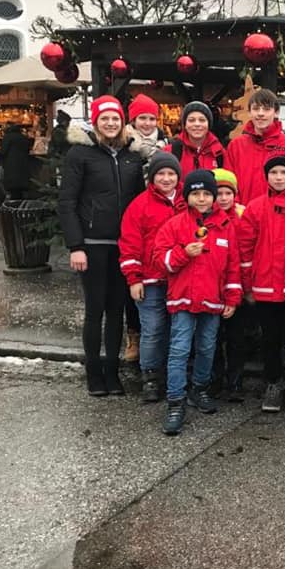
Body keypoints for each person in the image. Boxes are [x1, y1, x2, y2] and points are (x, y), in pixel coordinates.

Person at [58, 96, 145, 396]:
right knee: (95, 309)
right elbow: (67, 202)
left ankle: (113, 370)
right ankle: (94, 372)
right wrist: (75, 245)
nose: (110, 123)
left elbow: (140, 203)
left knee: (117, 308)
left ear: (123, 121)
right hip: (92, 244)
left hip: (123, 246)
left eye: (115, 118)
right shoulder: (80, 154)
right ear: (96, 121)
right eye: (105, 118)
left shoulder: (132, 156)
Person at [154, 170, 241, 435]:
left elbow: (233, 266)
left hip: (212, 300)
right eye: (196, 194)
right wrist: (182, 253)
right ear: (188, 196)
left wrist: (232, 297)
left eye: (206, 194)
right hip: (183, 299)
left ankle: (200, 388)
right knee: (179, 349)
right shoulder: (175, 224)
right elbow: (160, 259)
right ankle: (175, 400)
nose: (201, 199)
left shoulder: (226, 225)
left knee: (206, 347)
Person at [239, 154, 285, 413]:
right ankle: (272, 383)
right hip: (265, 287)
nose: (279, 177)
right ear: (267, 176)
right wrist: (248, 286)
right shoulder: (255, 207)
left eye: (284, 172)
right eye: (274, 173)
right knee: (270, 339)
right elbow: (245, 249)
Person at [118, 152, 186, 403]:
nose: (166, 179)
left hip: (180, 278)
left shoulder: (187, 201)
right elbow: (129, 245)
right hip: (150, 279)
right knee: (153, 329)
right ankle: (150, 376)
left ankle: (173, 375)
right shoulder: (139, 205)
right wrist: (133, 278)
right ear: (152, 177)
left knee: (176, 329)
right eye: (161, 174)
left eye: (171, 174)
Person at [225, 88, 285, 203]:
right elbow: (228, 183)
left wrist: (281, 206)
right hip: (243, 214)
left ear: (276, 112)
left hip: (279, 215)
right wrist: (236, 206)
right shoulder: (236, 146)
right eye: (256, 109)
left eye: (266, 109)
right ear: (249, 112)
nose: (260, 114)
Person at [210, 168, 250, 400]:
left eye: (228, 193)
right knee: (213, 338)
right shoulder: (205, 218)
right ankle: (215, 379)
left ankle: (235, 381)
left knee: (237, 338)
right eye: (218, 193)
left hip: (238, 286)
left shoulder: (243, 215)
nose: (223, 198)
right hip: (213, 287)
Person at [170, 101, 225, 182]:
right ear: (185, 124)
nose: (197, 124)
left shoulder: (219, 153)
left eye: (202, 120)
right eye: (191, 120)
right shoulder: (171, 151)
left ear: (208, 124)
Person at [125, 93, 168, 162]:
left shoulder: (166, 145)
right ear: (133, 121)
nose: (147, 123)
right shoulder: (121, 144)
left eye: (152, 119)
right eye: (142, 118)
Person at [0, 123, 32, 201]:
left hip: (10, 164)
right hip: (23, 163)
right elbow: (28, 149)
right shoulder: (23, 137)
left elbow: (3, 151)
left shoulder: (7, 137)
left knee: (13, 186)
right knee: (20, 185)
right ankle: (20, 201)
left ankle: (14, 203)